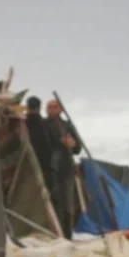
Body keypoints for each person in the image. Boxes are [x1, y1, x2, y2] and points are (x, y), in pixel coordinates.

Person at [44, 98, 83, 238]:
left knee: (68, 205)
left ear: (60, 109)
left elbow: (78, 147)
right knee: (55, 204)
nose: (51, 109)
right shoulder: (44, 125)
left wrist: (72, 144)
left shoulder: (67, 125)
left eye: (54, 107)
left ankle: (68, 236)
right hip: (51, 169)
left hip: (66, 169)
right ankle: (57, 235)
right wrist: (60, 142)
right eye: (49, 107)